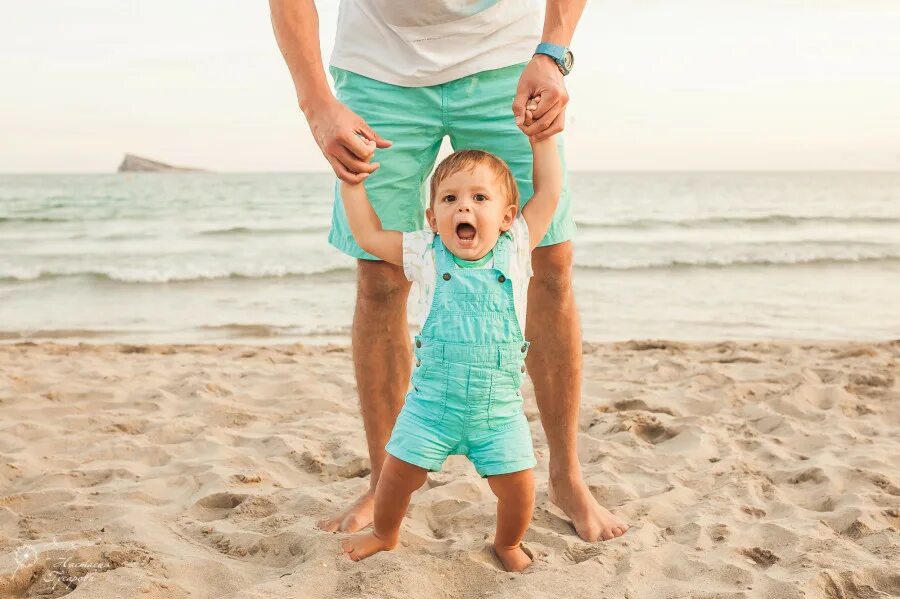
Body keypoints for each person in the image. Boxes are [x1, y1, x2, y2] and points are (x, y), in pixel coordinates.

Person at [269, 0, 630, 542]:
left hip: (506, 56)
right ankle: (383, 480)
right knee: (379, 279)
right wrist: (317, 102)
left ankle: (566, 476)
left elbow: (545, 200)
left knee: (550, 261)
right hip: (379, 67)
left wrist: (553, 52)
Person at [338, 108, 559, 569]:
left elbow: (551, 193)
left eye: (480, 198)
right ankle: (384, 532)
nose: (464, 207)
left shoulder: (516, 247)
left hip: (497, 411)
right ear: (432, 216)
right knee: (395, 477)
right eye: (450, 198)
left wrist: (542, 142)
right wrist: (352, 185)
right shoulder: (424, 251)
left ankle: (507, 543)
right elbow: (367, 234)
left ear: (506, 217)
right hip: (431, 408)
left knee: (520, 487)